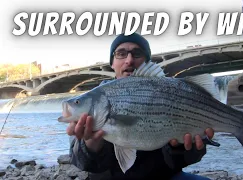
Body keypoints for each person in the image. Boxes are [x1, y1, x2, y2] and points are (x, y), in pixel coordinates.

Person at [66, 33, 215, 180]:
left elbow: (189, 159)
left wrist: (180, 148)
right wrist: (91, 145)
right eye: (121, 53)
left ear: (147, 62)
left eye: (137, 53)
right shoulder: (92, 103)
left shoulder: (168, 93)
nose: (129, 60)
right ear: (112, 63)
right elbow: (80, 162)